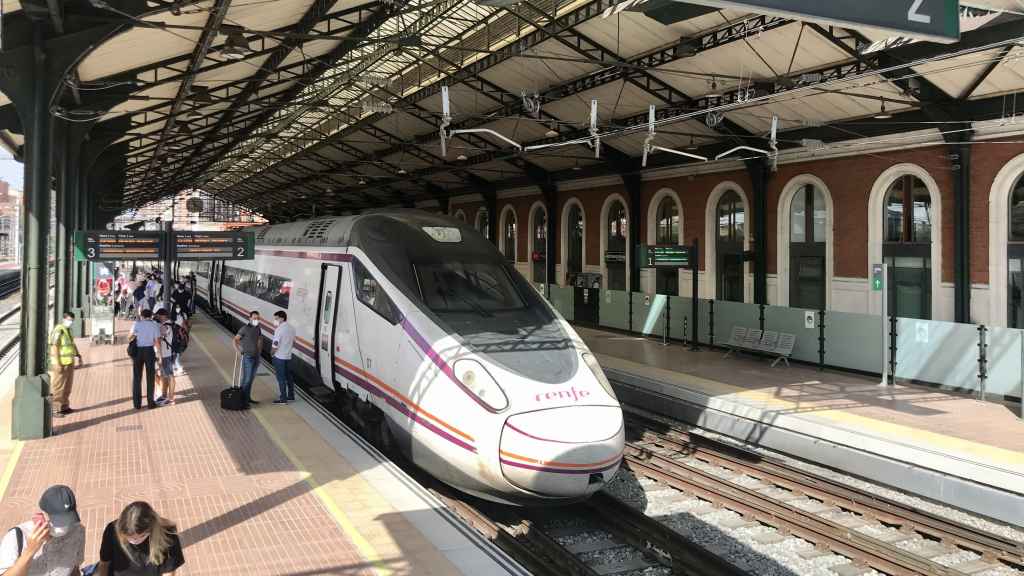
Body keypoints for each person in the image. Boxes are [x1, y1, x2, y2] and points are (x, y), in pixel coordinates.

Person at [0, 485, 85, 576]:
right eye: (57, 521)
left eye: (67, 519)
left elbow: (75, 568)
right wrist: (30, 551)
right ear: (43, 515)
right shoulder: (16, 537)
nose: (64, 526)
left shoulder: (78, 530)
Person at [97, 502, 183, 576]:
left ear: (151, 527)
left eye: (141, 536)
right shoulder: (112, 530)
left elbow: (169, 570)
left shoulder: (167, 534)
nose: (135, 541)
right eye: (129, 537)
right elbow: (104, 562)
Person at [48, 312, 82, 418]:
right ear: (64, 319)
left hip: (69, 362)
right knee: (58, 386)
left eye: (72, 320)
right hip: (60, 364)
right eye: (68, 319)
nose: (70, 322)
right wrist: (58, 363)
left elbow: (72, 344)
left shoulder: (68, 330)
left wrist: (78, 355)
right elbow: (54, 347)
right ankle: (55, 409)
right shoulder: (58, 330)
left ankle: (64, 406)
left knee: (67, 386)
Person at [128, 309, 161, 410]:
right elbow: (157, 341)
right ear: (151, 316)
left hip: (138, 352)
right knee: (150, 377)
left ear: (141, 316)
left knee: (137, 377)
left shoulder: (137, 324)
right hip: (149, 351)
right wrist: (159, 354)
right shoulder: (154, 325)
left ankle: (137, 404)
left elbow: (129, 337)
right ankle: (150, 403)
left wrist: (136, 335)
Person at [232, 310, 262, 408]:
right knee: (247, 379)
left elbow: (259, 340)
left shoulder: (258, 328)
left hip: (256, 356)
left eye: (258, 318)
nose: (256, 320)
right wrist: (238, 351)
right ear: (250, 318)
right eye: (254, 318)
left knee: (251, 379)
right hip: (248, 357)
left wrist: (259, 353)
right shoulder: (244, 328)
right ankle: (243, 401)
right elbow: (235, 340)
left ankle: (247, 398)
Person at [270, 311, 295, 404]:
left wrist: (272, 353)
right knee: (289, 377)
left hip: (279, 357)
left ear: (282, 318)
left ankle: (283, 399)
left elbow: (275, 344)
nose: (275, 321)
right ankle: (291, 395)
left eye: (276, 319)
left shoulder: (279, 329)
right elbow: (293, 342)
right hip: (288, 356)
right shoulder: (292, 328)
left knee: (281, 378)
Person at [154, 310, 176, 406]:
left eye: (158, 316)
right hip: (164, 354)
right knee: (164, 375)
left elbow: (159, 337)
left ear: (163, 316)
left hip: (166, 354)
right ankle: (164, 395)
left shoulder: (166, 325)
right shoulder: (165, 324)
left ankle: (171, 399)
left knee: (170, 375)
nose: (157, 318)